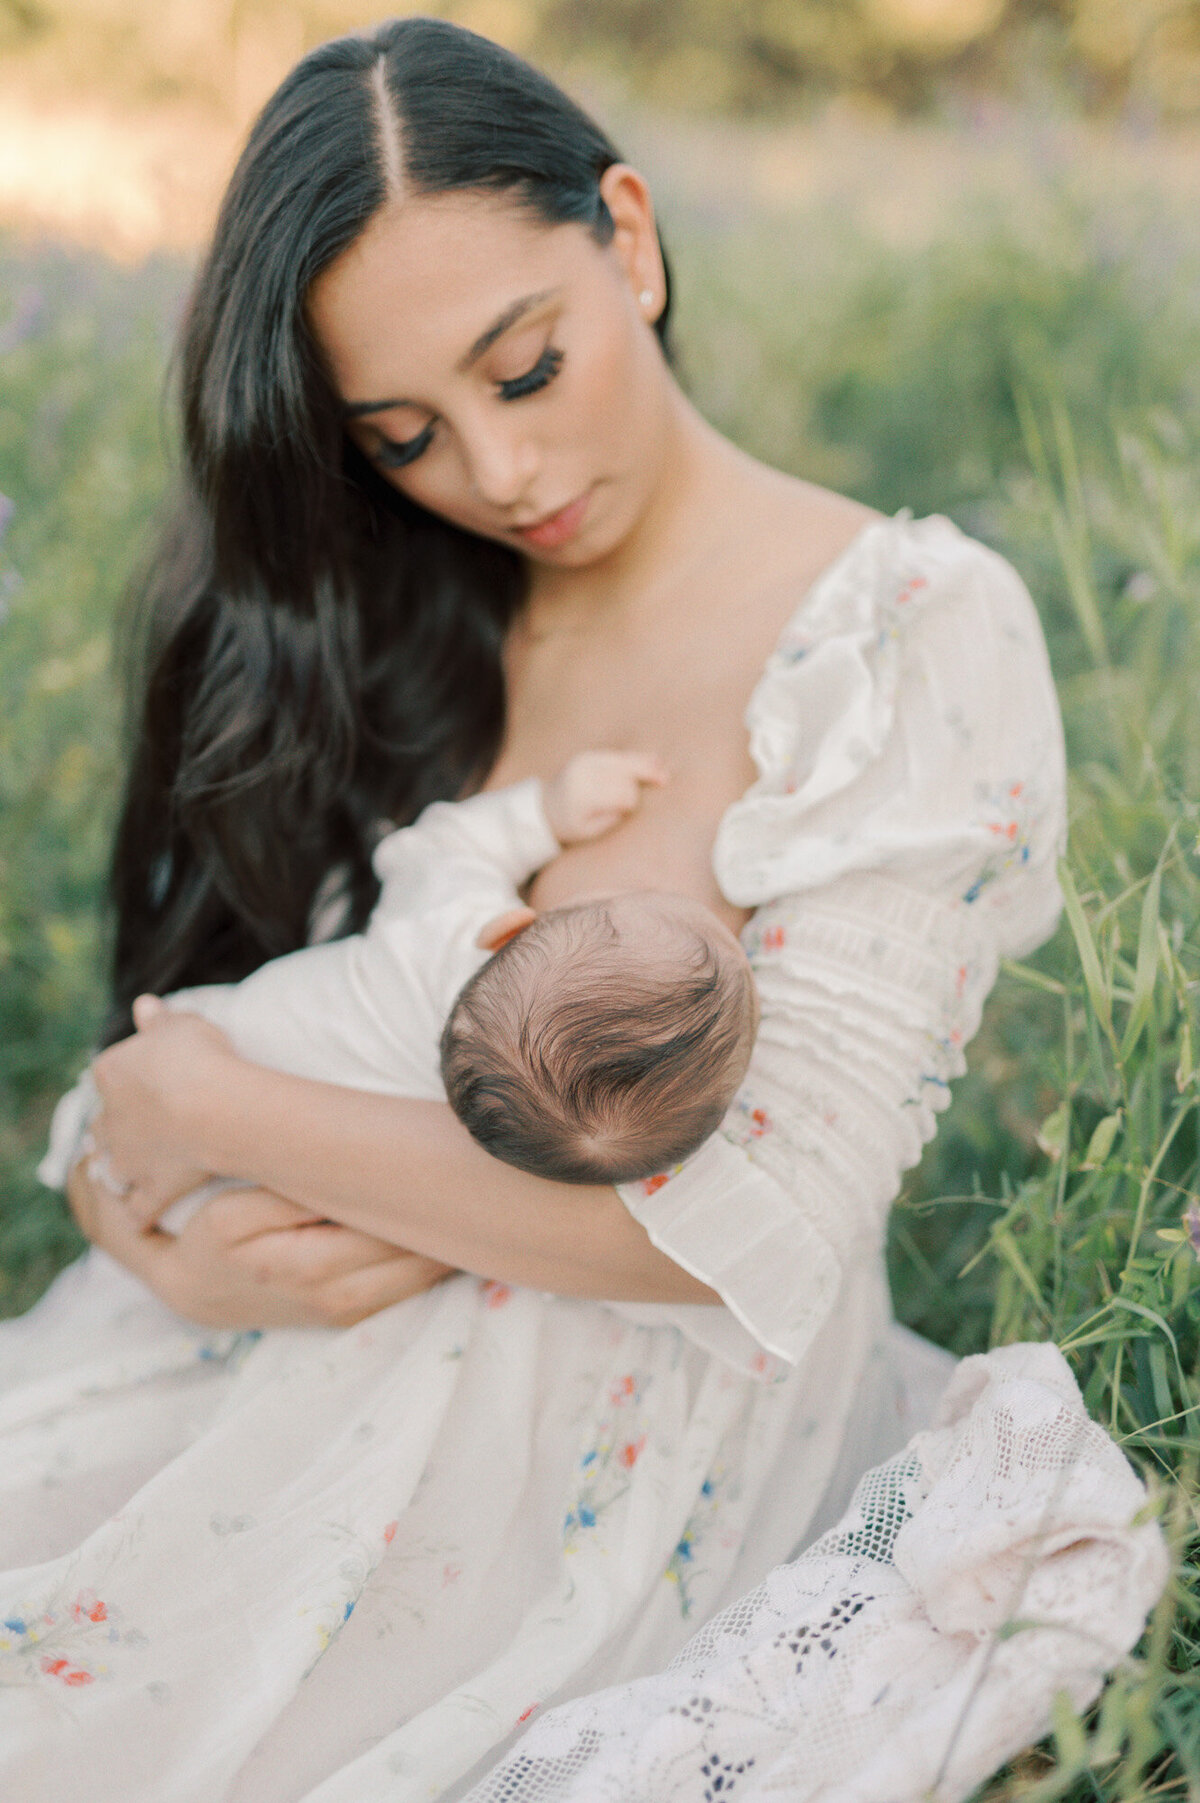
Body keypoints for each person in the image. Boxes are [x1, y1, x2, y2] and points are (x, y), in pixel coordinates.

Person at [0, 15, 1073, 1801]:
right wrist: (132, 1204)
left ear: (630, 243)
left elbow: (762, 1234)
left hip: (593, 1449)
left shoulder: (899, 635)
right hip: (254, 1344)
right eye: (402, 432)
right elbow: (264, 1005)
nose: (497, 477)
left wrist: (216, 1110)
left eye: (528, 367)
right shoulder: (410, 614)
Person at [42, 748, 757, 1207]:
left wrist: (548, 811)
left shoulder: (450, 924)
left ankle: (83, 1134)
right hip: (267, 1185)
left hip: (200, 1041)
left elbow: (435, 845)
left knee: (114, 1108)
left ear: (507, 927)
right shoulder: (489, 1117)